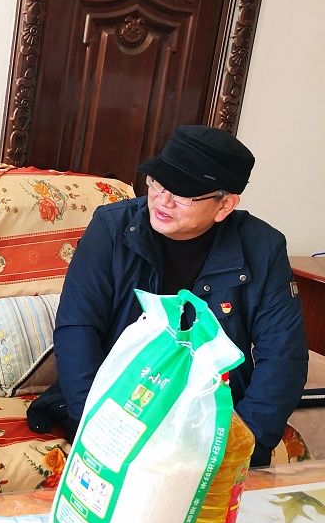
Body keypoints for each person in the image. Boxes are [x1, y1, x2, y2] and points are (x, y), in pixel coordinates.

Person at [50, 124, 308, 467]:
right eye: (158, 183)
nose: (163, 200)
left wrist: (238, 443)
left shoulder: (263, 249)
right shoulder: (112, 229)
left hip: (211, 410)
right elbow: (76, 329)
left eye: (183, 194)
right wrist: (98, 425)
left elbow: (284, 357)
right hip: (121, 400)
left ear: (224, 205)